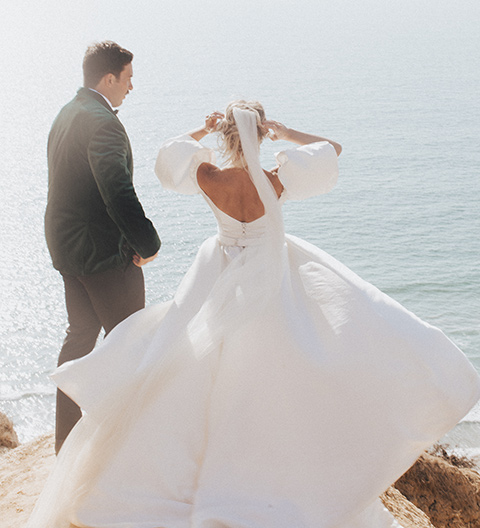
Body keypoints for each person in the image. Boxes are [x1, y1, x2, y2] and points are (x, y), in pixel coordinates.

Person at [30, 100, 479, 528]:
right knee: (280, 358)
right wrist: (286, 133)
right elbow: (333, 150)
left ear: (226, 135)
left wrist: (202, 130)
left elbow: (167, 157)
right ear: (260, 133)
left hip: (220, 269)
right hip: (271, 273)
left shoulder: (207, 175)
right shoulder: (278, 178)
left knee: (202, 365)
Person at [44, 40, 161, 454]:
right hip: (104, 255)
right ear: (109, 78)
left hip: (68, 250)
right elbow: (117, 191)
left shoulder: (68, 112)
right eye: (128, 79)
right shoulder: (105, 124)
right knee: (133, 344)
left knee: (79, 339)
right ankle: (129, 449)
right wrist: (148, 243)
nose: (131, 87)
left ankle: (68, 445)